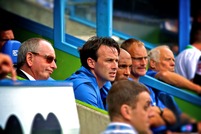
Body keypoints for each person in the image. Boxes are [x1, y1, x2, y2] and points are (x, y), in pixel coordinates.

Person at [120, 38, 176, 132]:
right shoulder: (124, 87)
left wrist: (158, 111)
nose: (143, 63)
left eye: (145, 58)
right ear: (126, 59)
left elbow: (172, 117)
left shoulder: (148, 85)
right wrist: (160, 115)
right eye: (138, 58)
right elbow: (146, 121)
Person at [147, 45, 201, 132]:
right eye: (167, 59)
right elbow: (164, 74)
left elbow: (179, 116)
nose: (173, 64)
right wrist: (198, 88)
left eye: (173, 60)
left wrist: (194, 124)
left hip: (174, 129)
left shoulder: (166, 87)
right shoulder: (148, 75)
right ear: (153, 63)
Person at [66, 36, 120, 110]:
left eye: (116, 61)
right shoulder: (83, 89)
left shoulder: (105, 82)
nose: (115, 67)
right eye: (109, 60)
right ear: (91, 63)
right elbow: (97, 121)